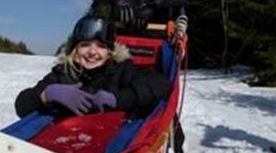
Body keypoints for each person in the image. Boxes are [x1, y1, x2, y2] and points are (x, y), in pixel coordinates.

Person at [15, 15, 171, 118]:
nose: (92, 52)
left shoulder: (122, 70)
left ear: (110, 52)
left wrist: (117, 99)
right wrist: (46, 95)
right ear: (74, 50)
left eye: (101, 46)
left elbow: (161, 84)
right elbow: (21, 106)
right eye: (85, 45)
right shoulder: (63, 74)